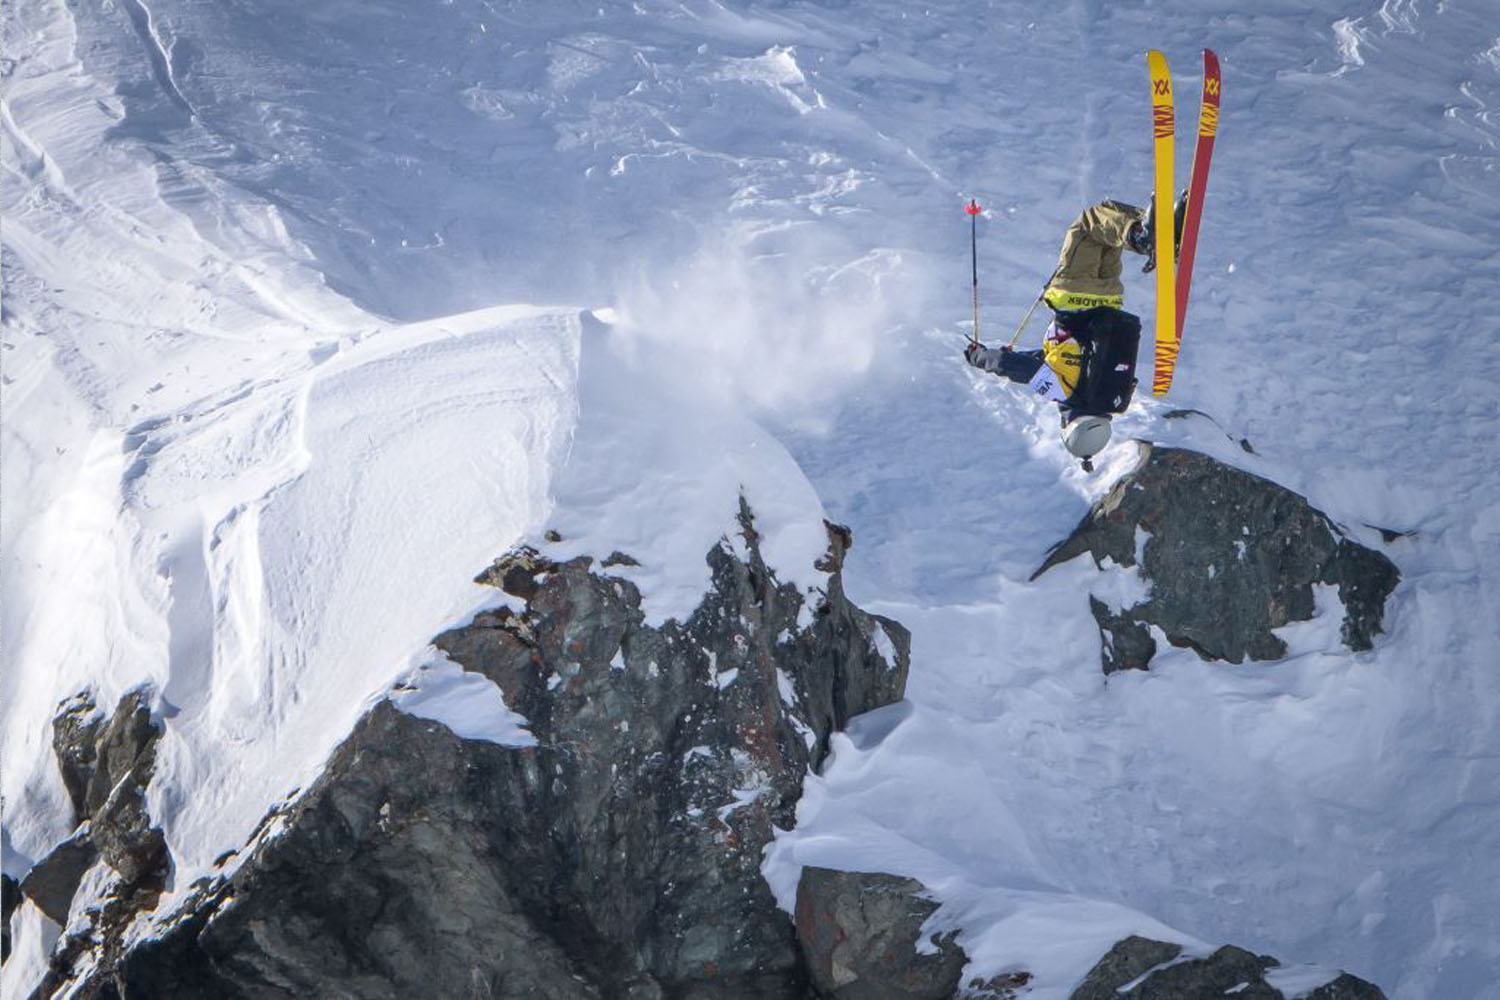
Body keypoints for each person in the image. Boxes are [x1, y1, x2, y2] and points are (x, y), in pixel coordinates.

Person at [963, 198, 1158, 470]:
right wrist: (980, 357)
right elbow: (1013, 367)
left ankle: (1153, 232)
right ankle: (1143, 236)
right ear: (1070, 426)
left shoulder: (1114, 397)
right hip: (1074, 296)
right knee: (1088, 225)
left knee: (1107, 227)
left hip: (1109, 300)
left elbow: (1057, 358)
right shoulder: (1062, 392)